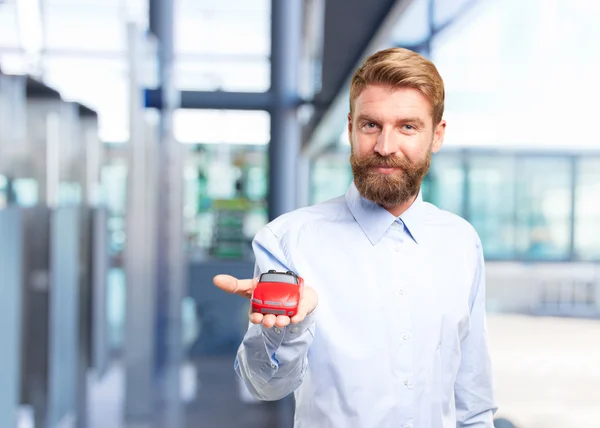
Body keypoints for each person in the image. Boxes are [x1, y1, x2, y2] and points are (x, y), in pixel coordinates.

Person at [213, 47, 497, 427]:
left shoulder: (461, 242)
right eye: (370, 125)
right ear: (350, 129)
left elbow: (473, 402)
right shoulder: (289, 239)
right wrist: (294, 325)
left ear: (437, 135)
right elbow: (264, 386)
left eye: (407, 127)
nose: (385, 147)